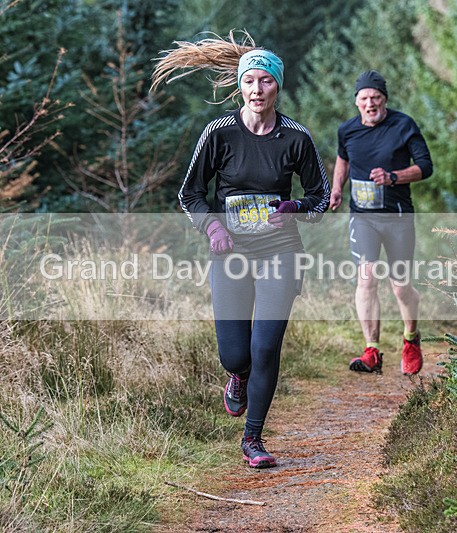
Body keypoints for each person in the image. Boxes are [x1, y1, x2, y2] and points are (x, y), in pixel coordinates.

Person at [151, 32, 330, 468]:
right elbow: (189, 194)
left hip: (280, 251)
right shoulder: (219, 133)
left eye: (265, 82)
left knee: (267, 346)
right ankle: (239, 376)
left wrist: (293, 207)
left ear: (277, 87)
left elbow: (320, 199)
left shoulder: (296, 138)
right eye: (249, 81)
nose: (257, 90)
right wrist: (212, 226)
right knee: (236, 354)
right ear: (240, 86)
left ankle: (253, 439)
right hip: (230, 253)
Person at [329, 70, 433, 375]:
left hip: (397, 216)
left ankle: (411, 339)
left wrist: (394, 177)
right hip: (363, 218)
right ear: (357, 102)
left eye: (376, 97)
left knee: (400, 287)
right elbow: (343, 159)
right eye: (364, 98)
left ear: (384, 100)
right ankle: (371, 350)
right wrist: (337, 188)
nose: (370, 103)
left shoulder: (403, 125)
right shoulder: (347, 130)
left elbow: (426, 166)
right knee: (367, 278)